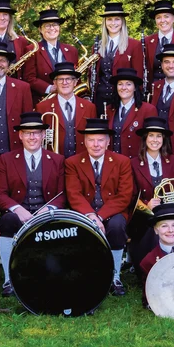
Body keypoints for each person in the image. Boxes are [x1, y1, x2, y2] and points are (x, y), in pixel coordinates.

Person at [0, 112, 66, 296]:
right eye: (27, 133)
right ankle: (9, 279)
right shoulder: (6, 160)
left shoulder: (57, 160)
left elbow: (62, 194)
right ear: (20, 135)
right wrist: (18, 210)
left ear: (43, 135)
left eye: (36, 133)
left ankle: (51, 274)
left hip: (46, 215)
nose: (32, 137)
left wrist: (48, 209)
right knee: (7, 220)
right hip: (19, 216)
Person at [65, 118, 133, 296]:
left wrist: (100, 216)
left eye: (100, 140)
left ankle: (115, 277)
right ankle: (85, 274)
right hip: (84, 212)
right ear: (84, 141)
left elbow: (124, 196)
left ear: (108, 141)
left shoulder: (122, 161)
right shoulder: (72, 162)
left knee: (117, 227)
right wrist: (91, 215)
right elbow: (74, 194)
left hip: (112, 212)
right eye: (91, 140)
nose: (96, 144)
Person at [128, 116, 174, 267]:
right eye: (151, 135)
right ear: (145, 138)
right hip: (144, 218)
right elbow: (130, 195)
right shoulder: (133, 163)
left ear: (164, 139)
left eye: (159, 136)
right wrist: (146, 205)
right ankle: (147, 264)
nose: (155, 140)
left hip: (168, 214)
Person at [34, 61, 97, 158]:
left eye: (69, 79)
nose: (65, 83)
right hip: (54, 161)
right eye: (60, 79)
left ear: (75, 82)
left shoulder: (89, 106)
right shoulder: (42, 107)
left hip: (82, 160)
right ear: (55, 83)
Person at [93, 2, 143, 111]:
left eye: (117, 19)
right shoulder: (97, 46)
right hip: (100, 99)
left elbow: (139, 75)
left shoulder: (134, 45)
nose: (113, 23)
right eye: (109, 19)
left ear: (122, 22)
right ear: (105, 22)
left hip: (123, 99)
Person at [27, 8, 79, 103]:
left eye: (55, 25)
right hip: (43, 100)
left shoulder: (72, 50)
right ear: (40, 29)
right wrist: (50, 88)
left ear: (59, 28)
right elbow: (29, 78)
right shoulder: (32, 50)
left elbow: (76, 77)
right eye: (47, 26)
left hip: (68, 100)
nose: (52, 28)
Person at [105, 68, 157, 158]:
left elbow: (152, 141)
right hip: (113, 162)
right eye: (120, 84)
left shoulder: (148, 110)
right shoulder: (109, 109)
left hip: (136, 162)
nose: (123, 88)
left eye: (128, 84)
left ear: (135, 88)